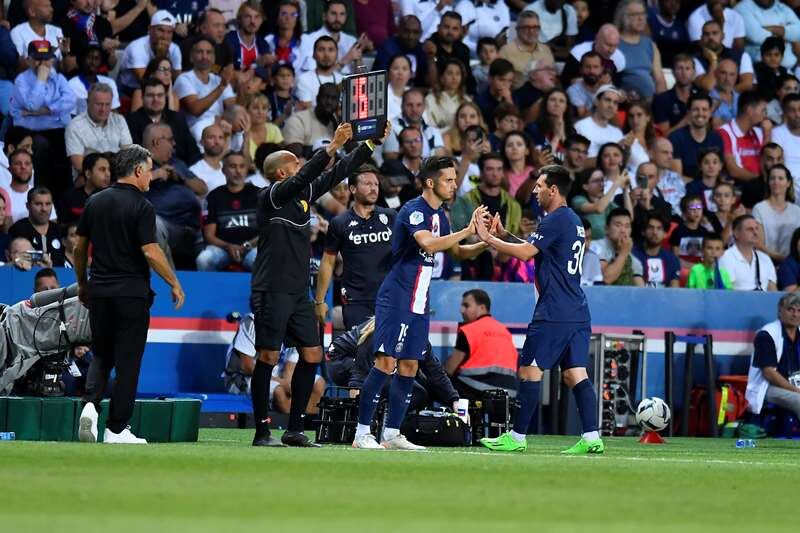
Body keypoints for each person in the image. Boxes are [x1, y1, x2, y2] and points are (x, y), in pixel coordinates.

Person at [250, 120, 389, 448]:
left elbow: (335, 174)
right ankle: (262, 431)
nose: (299, 168)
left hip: (299, 291)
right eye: (293, 164)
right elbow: (310, 173)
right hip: (271, 288)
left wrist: (368, 146)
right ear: (282, 174)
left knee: (312, 355)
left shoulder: (299, 195)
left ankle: (295, 429)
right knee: (268, 356)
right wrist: (330, 146)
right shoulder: (270, 196)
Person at [351, 156, 491, 451]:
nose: (454, 185)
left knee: (410, 366)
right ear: (431, 182)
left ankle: (392, 434)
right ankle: (361, 433)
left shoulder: (442, 215)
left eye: (454, 179)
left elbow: (458, 253)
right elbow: (428, 244)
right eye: (448, 180)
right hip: (397, 298)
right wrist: (468, 230)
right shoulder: (414, 210)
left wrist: (487, 240)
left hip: (419, 301)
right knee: (386, 362)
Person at [474, 164, 603, 454]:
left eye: (540, 186)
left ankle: (516, 438)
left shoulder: (554, 219)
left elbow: (526, 253)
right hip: (577, 310)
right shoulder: (573, 221)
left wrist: (489, 239)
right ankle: (593, 437)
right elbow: (540, 249)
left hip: (553, 311)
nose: (534, 191)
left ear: (553, 190)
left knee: (529, 370)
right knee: (575, 374)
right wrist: (506, 234)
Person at [74, 144, 185, 445]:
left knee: (101, 355)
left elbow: (79, 248)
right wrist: (173, 282)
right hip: (131, 295)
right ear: (138, 171)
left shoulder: (95, 202)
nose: (151, 176)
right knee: (128, 363)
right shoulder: (142, 206)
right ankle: (117, 429)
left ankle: (89, 405)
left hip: (99, 291)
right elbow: (150, 251)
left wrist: (83, 284)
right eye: (149, 170)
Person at [315, 165, 395, 329]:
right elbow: (328, 262)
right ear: (352, 188)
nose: (373, 188)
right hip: (356, 301)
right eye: (367, 184)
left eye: (376, 184)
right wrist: (320, 300)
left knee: (389, 354)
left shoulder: (391, 216)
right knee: (363, 352)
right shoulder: (340, 223)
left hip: (389, 298)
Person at [222, 314, 326, 417]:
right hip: (243, 378)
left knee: (318, 384)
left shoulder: (296, 329)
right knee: (279, 391)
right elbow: (247, 366)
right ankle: (293, 426)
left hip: (277, 376)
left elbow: (289, 372)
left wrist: (290, 385)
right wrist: (282, 383)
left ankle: (306, 425)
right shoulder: (252, 322)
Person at [9, 39, 75, 199]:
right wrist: (41, 79)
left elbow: (70, 101)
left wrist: (46, 110)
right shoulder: (21, 80)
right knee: (41, 146)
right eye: (38, 58)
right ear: (28, 59)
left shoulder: (58, 78)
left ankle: (64, 200)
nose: (43, 63)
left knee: (70, 146)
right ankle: (41, 196)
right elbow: (32, 105)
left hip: (57, 130)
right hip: (28, 131)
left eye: (46, 58)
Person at [444, 288, 517, 400]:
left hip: (476, 389)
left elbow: (449, 368)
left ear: (482, 308)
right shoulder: (505, 332)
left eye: (466, 306)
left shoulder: (469, 330)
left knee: (437, 382)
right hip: (508, 393)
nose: (462, 310)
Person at [196, 152, 259, 271]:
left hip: (252, 247)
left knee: (262, 262)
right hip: (222, 248)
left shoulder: (259, 194)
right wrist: (228, 246)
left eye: (242, 166)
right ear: (223, 170)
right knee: (203, 260)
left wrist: (247, 246)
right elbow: (209, 235)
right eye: (233, 166)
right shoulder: (214, 196)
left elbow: (268, 231)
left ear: (247, 169)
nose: (238, 171)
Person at [745, 292, 800, 421]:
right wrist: (796, 390)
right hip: (769, 387)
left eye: (799, 310)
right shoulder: (767, 334)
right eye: (790, 310)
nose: (795, 314)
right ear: (780, 311)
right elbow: (769, 373)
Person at [126, 77, 201, 166]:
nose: (156, 99)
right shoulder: (131, 121)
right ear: (142, 97)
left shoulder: (177, 118)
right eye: (150, 95)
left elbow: (193, 151)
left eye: (160, 95)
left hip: (182, 167)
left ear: (165, 97)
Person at [65, 83, 132, 174]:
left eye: (107, 104)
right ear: (88, 102)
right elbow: (78, 165)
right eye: (99, 104)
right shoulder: (74, 126)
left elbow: (128, 154)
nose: (103, 109)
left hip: (118, 175)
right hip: (89, 179)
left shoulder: (119, 120)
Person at [174, 36, 235, 137]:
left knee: (239, 133)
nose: (204, 56)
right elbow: (196, 109)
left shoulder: (219, 79)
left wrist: (242, 91)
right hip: (196, 129)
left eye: (209, 52)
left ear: (214, 57)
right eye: (199, 52)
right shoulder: (184, 79)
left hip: (220, 124)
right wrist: (221, 87)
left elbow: (232, 107)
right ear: (191, 57)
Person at [117, 10, 182, 95]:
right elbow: (145, 82)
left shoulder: (174, 49)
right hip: (129, 89)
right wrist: (161, 56)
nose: (165, 36)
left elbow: (177, 80)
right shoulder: (137, 47)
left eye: (169, 32)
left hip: (160, 89)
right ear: (150, 29)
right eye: (161, 30)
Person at [615, 0, 667, 101]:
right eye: (635, 15)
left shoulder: (650, 44)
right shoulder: (614, 43)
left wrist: (662, 103)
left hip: (649, 104)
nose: (641, 18)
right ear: (623, 17)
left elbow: (659, 79)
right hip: (624, 102)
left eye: (643, 13)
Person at [718, 89, 769, 185]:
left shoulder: (760, 132)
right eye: (763, 110)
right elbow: (733, 170)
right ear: (749, 110)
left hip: (759, 186)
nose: (765, 116)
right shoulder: (725, 132)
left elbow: (768, 163)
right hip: (739, 187)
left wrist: (767, 136)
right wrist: (761, 182)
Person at [669, 94, 724, 180]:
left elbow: (719, 171)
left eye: (704, 109)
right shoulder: (676, 138)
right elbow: (677, 177)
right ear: (688, 112)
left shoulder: (716, 138)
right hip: (686, 190)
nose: (700, 113)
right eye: (695, 109)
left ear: (710, 113)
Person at [752, 164, 800, 263]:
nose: (776, 182)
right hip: (766, 263)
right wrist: (781, 258)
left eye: (780, 178)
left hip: (793, 264)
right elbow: (758, 244)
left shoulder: (797, 210)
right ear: (768, 182)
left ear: (788, 183)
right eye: (772, 178)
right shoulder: (759, 208)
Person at [718, 214, 777, 291]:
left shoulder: (765, 258)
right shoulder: (726, 257)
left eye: (756, 228)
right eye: (750, 229)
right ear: (736, 233)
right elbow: (728, 292)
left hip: (764, 302)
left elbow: (773, 291)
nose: (755, 232)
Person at [8, 186, 64, 266]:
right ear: (28, 206)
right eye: (38, 204)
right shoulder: (18, 229)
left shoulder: (58, 230)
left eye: (48, 204)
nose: (44, 209)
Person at [498, 11, 553, 91]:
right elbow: (500, 83)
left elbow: (553, 77)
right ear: (517, 29)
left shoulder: (546, 50)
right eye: (527, 27)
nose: (531, 31)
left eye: (535, 27)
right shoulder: (505, 51)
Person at [592, 207, 645, 287]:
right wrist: (623, 254)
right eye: (618, 225)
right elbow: (605, 279)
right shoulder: (595, 247)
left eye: (627, 226)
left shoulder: (633, 260)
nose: (623, 230)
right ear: (606, 229)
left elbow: (641, 290)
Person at [573, 84, 623, 163]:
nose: (611, 105)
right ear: (596, 101)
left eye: (615, 103)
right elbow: (576, 163)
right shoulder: (580, 126)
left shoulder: (618, 133)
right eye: (607, 100)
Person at [58, 152, 110, 225]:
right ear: (88, 174)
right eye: (102, 169)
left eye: (108, 169)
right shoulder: (69, 198)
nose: (108, 174)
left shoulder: (114, 199)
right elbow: (62, 227)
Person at [633, 212, 681, 288]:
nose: (655, 232)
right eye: (650, 228)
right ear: (643, 232)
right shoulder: (633, 255)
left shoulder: (672, 259)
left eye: (659, 228)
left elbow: (674, 291)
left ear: (665, 233)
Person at [295, 36, 344, 108]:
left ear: (337, 55)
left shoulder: (343, 79)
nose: (326, 54)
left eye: (331, 50)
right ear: (314, 55)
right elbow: (309, 111)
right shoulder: (304, 79)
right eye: (321, 50)